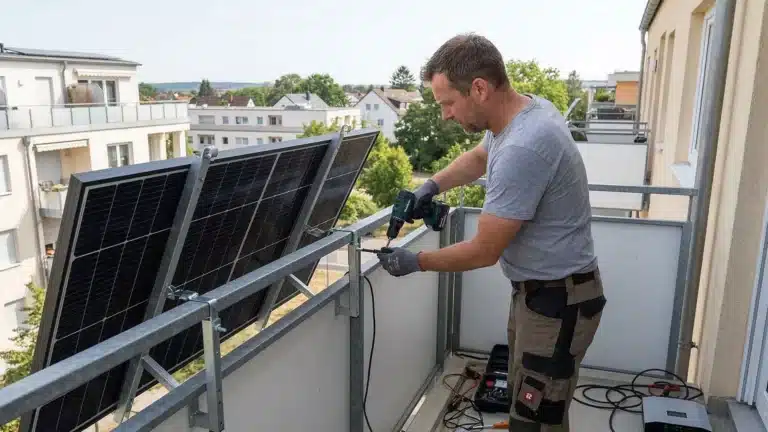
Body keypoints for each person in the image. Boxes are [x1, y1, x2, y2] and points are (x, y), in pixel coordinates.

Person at [376, 33, 607, 432]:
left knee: (536, 418)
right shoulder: (523, 113)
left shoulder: (524, 147)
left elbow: (484, 250)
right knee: (533, 400)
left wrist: (415, 261)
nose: (445, 115)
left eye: (448, 103)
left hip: (557, 301)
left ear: (479, 88)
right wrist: (430, 186)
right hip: (541, 296)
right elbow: (481, 156)